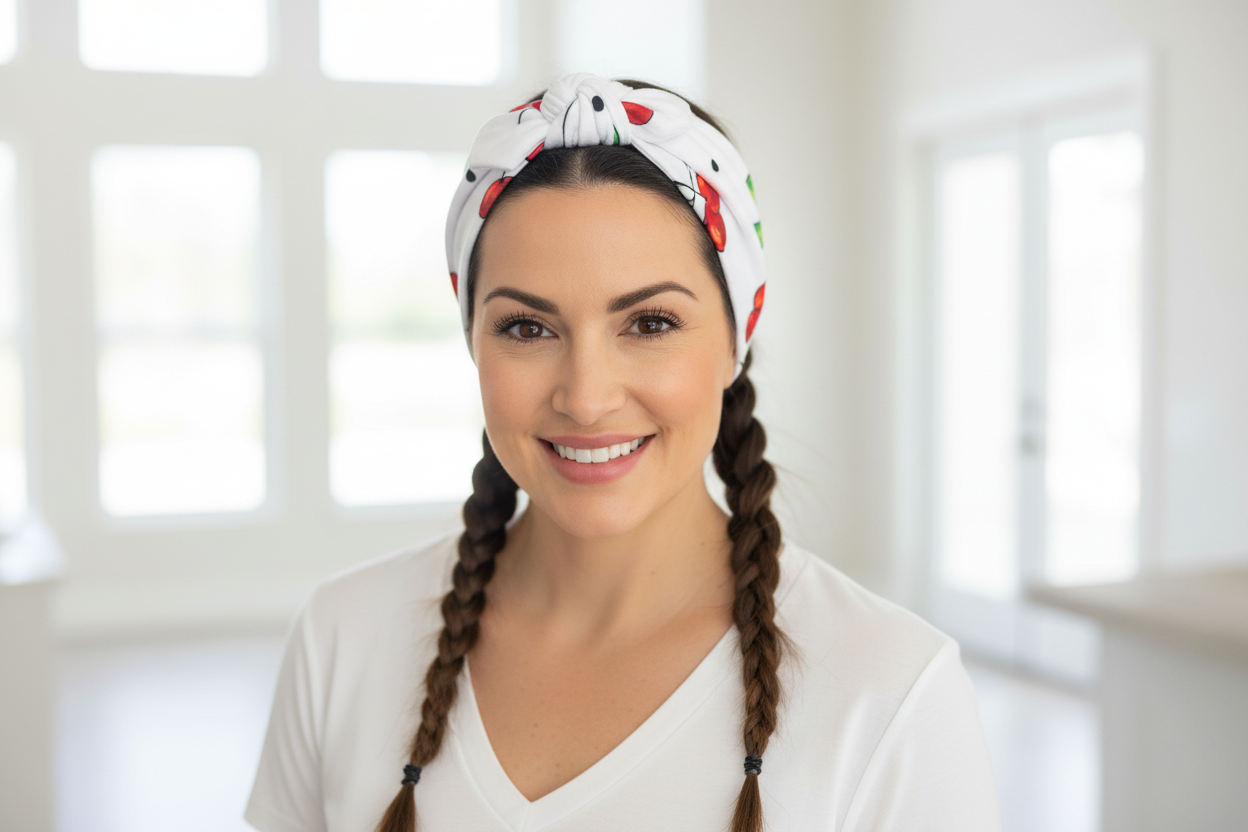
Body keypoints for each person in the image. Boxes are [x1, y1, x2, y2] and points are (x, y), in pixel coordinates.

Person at [245, 73, 1000, 832]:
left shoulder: (893, 693)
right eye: (527, 328)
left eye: (649, 323)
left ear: (737, 336)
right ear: (473, 339)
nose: (586, 397)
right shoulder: (342, 637)